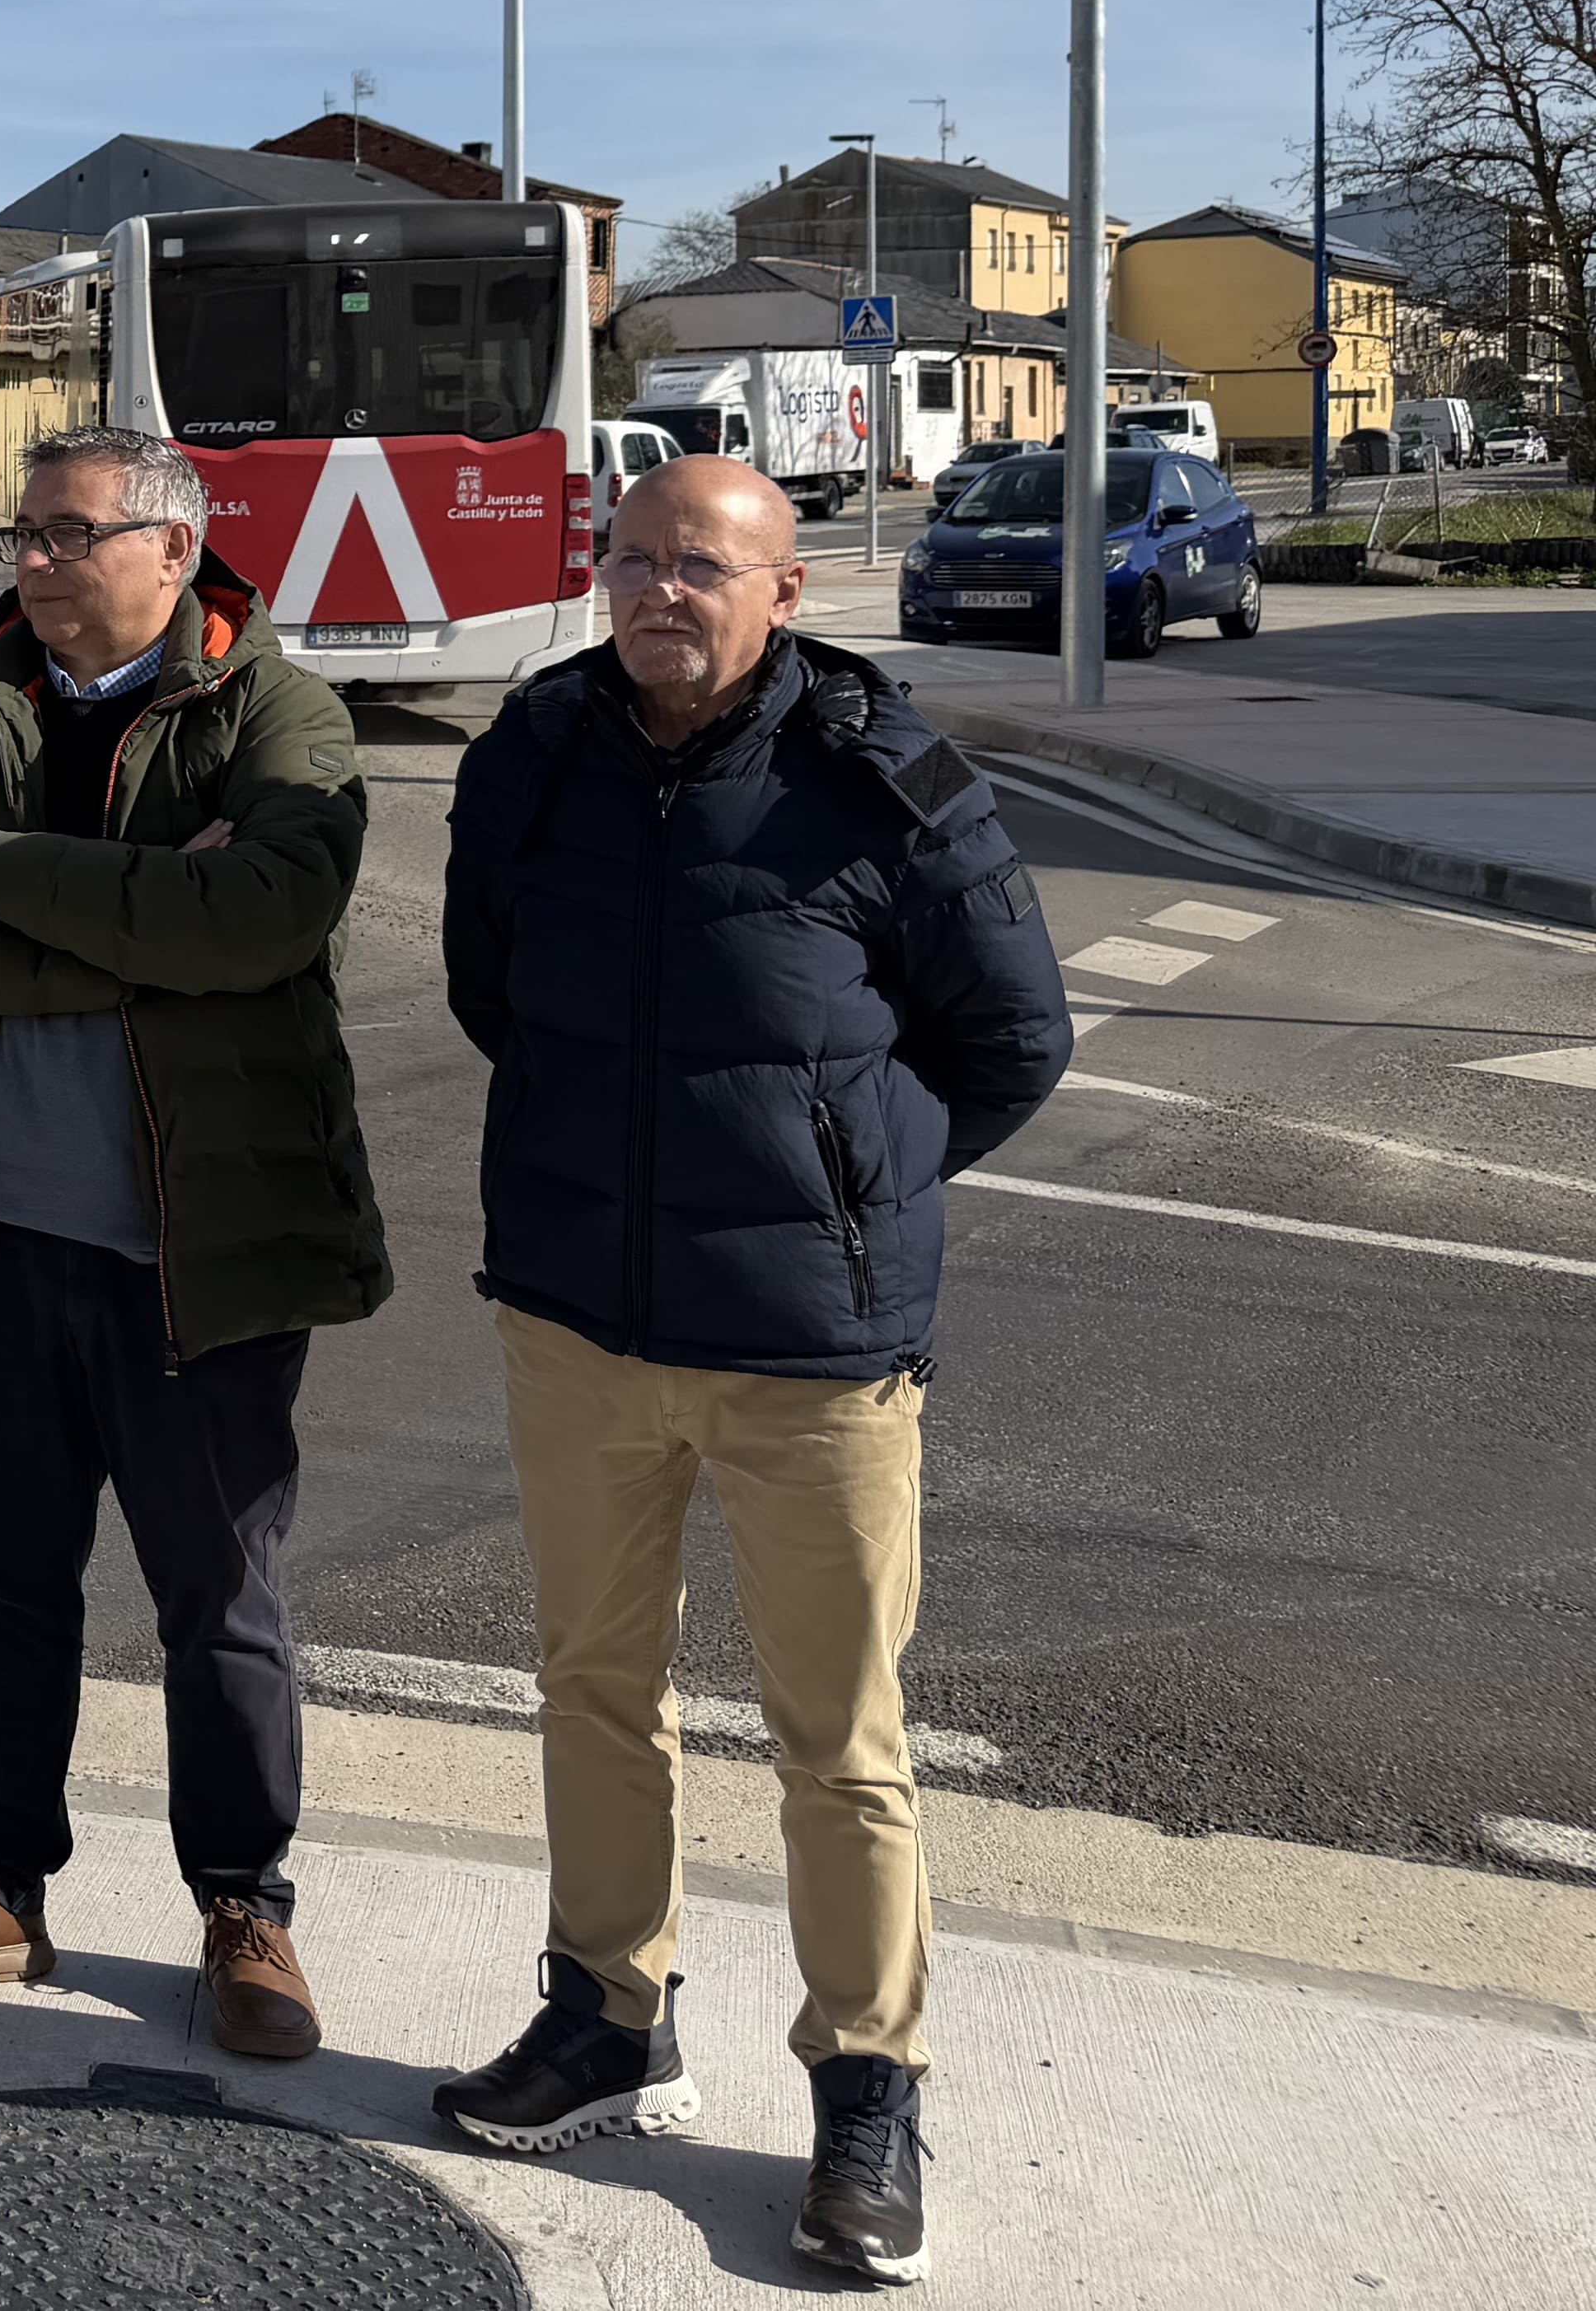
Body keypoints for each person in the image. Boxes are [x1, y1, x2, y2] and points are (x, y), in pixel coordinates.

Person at [432, 452, 1070, 2289]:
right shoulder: (536, 754)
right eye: (631, 560)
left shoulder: (884, 779)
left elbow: (1014, 1037)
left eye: (699, 565)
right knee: (590, 1685)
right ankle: (607, 2016)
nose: (657, 592)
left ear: (785, 589)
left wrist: (846, 1187)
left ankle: (868, 2091)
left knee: (841, 1742)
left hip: (813, 1353)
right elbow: (494, 993)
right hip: (574, 1317)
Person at [0, 426, 385, 2056]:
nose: (37, 562)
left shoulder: (279, 711)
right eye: (27, 534)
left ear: (172, 548)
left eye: (71, 535)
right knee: (9, 1584)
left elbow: (268, 914)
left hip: (198, 1254)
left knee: (219, 1598)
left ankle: (245, 1908)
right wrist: (141, 923)